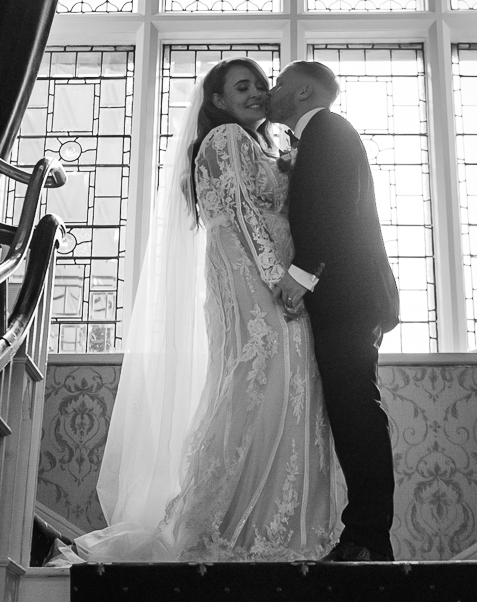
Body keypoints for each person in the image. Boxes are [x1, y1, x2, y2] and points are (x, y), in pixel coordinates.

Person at [76, 59, 341, 562]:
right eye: (243, 87)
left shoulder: (270, 144)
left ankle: (278, 525)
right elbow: (240, 214)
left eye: (262, 83)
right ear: (218, 101)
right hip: (251, 284)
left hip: (283, 285)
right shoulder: (224, 142)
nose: (259, 92)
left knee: (290, 389)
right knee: (255, 383)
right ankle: (220, 524)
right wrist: (278, 282)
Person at [269, 61, 401, 562]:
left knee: (356, 413)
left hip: (349, 295)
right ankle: (365, 534)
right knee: (350, 412)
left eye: (279, 83)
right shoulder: (318, 136)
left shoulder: (328, 130)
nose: (272, 90)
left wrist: (301, 276)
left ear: (303, 91)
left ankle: (368, 536)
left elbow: (334, 208)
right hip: (350, 296)